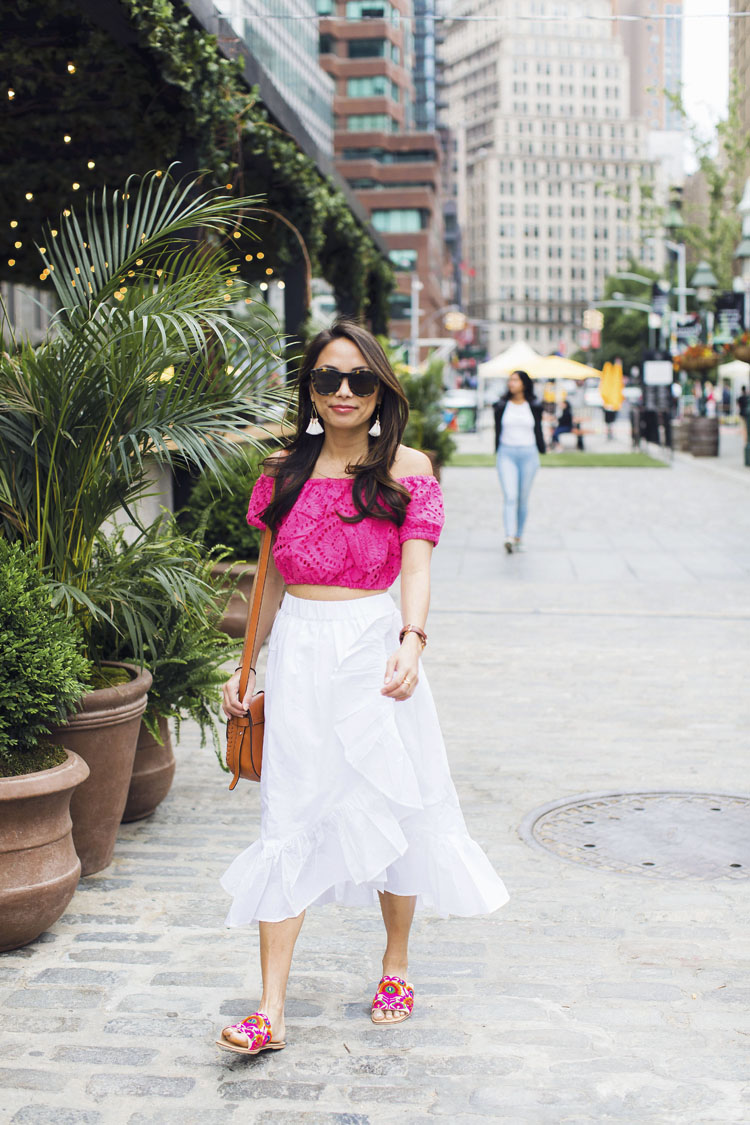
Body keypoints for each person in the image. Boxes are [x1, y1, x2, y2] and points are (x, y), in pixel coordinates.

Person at [216, 320, 509, 1057]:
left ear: (380, 388)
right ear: (309, 389)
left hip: (375, 653)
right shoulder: (284, 467)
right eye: (327, 378)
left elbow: (416, 565)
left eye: (359, 379)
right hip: (300, 654)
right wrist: (248, 664)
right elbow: (271, 578)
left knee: (391, 805)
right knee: (286, 814)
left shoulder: (409, 465)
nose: (343, 391)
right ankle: (271, 1008)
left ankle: (396, 963)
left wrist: (412, 639)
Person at [493, 369, 546, 554]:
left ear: (524, 383)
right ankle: (508, 535)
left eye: (515, 380)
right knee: (510, 496)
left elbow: (538, 429)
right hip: (506, 454)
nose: (511, 383)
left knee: (523, 499)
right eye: (510, 380)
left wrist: (543, 447)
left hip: (529, 454)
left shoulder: (534, 405)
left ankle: (518, 536)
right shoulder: (501, 405)